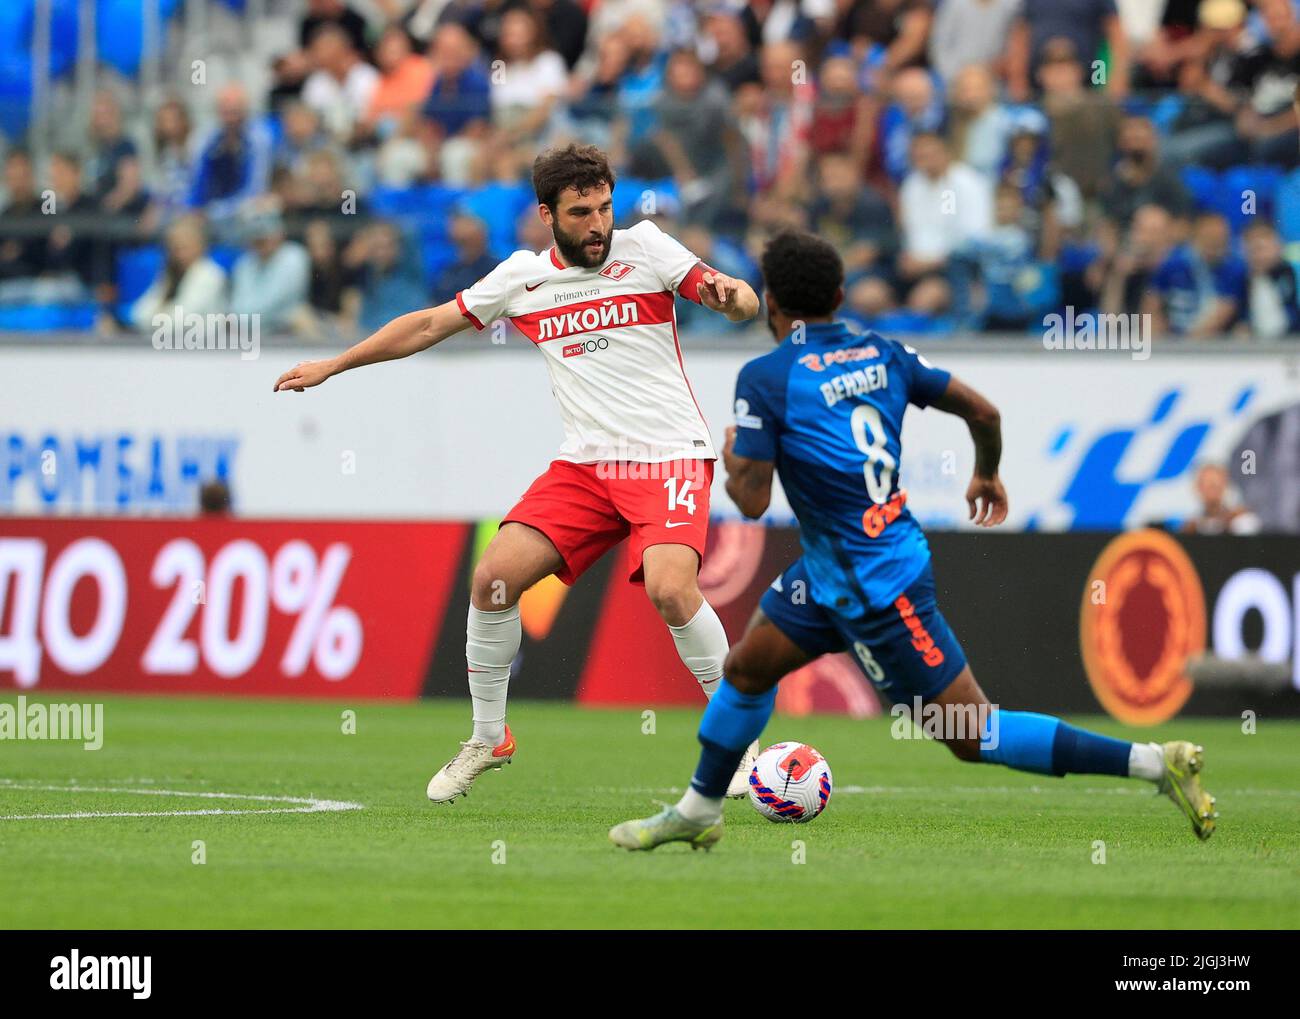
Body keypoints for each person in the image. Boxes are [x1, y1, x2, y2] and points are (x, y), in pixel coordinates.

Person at [609, 230, 1218, 851]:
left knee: (973, 733)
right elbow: (984, 413)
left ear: (771, 304)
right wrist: (986, 472)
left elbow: (755, 501)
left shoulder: (767, 377)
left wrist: (734, 457)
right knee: (745, 669)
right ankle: (698, 809)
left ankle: (1154, 762)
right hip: (833, 570)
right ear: (841, 295)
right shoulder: (885, 352)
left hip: (875, 586)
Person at [272, 144, 762, 802]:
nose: (597, 224)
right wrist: (335, 364)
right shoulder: (522, 278)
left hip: (668, 452)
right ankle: (488, 736)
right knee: (494, 579)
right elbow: (425, 326)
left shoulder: (646, 247)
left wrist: (733, 297)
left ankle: (739, 745)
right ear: (546, 214)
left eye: (604, 208)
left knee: (672, 589)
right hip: (587, 466)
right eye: (581, 212)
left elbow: (727, 294)